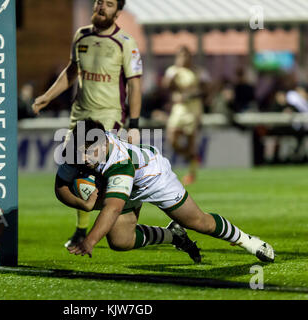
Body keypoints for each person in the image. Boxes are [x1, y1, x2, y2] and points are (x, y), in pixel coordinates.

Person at [56, 119, 275, 263]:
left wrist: (90, 241)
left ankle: (249, 241)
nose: (83, 159)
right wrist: (82, 204)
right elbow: (60, 187)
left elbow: (113, 208)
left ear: (103, 145)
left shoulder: (119, 162)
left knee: (199, 222)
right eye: (80, 152)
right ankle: (174, 236)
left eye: (88, 152)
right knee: (120, 242)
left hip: (154, 178)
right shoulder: (77, 151)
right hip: (123, 187)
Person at [32, 0, 143, 248]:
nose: (102, 7)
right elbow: (72, 71)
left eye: (109, 4)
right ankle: (87, 227)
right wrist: (47, 97)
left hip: (109, 118)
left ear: (118, 12)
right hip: (80, 116)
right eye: (99, 2)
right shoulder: (81, 35)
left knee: (97, 173)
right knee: (76, 171)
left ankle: (94, 229)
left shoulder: (126, 43)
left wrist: (134, 123)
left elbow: (135, 84)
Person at [162, 47, 202, 186]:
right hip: (179, 109)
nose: (184, 58)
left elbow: (206, 90)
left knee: (191, 140)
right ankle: (186, 155)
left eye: (186, 55)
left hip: (193, 109)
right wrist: (172, 79)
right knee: (172, 137)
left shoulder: (197, 71)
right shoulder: (173, 71)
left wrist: (189, 95)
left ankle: (191, 173)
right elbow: (165, 86)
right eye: (181, 55)